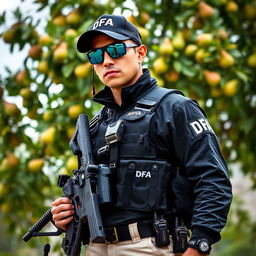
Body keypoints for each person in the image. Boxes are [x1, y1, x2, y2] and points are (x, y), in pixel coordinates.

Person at [51, 14, 232, 256]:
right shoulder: (93, 128)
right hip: (96, 248)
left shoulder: (175, 108)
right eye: (96, 55)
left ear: (140, 52)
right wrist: (68, 212)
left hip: (151, 246)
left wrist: (199, 244)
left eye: (115, 50)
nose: (106, 61)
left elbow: (213, 180)